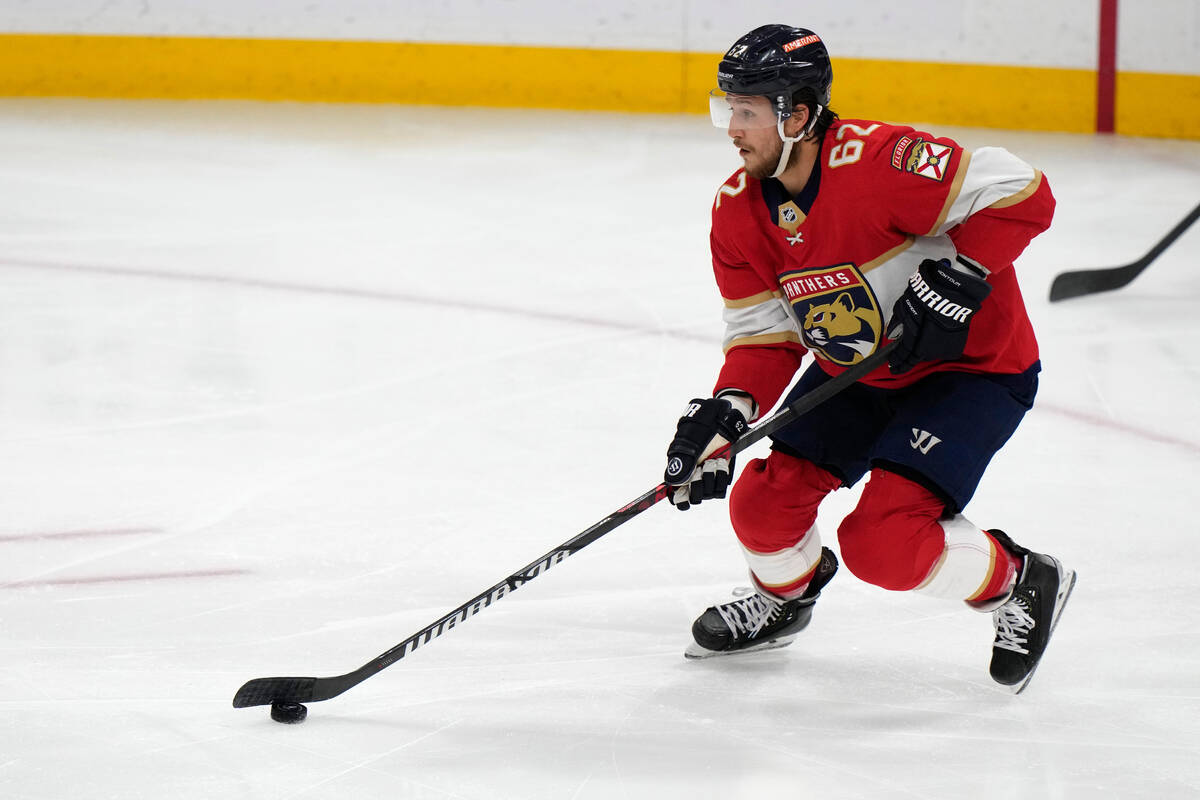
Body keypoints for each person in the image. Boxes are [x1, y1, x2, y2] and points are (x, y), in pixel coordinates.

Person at [663, 23, 1075, 693]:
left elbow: (1024, 192)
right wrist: (727, 410)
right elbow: (764, 334)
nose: (732, 128)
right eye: (728, 109)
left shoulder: (882, 162)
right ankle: (786, 600)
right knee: (762, 507)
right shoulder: (737, 212)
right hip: (858, 370)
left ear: (797, 112)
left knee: (883, 543)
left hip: (972, 372)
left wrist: (963, 275)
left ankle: (1022, 581)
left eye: (747, 111)